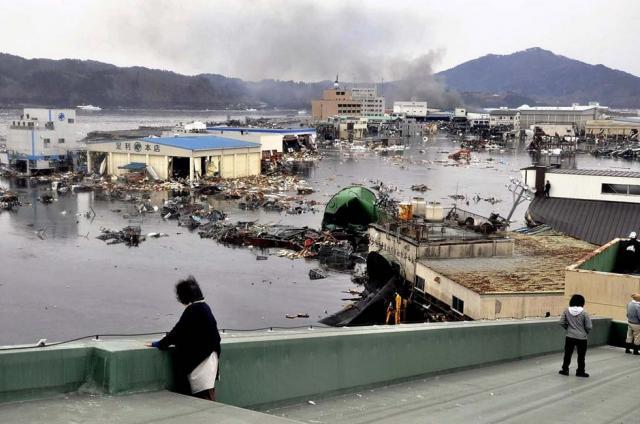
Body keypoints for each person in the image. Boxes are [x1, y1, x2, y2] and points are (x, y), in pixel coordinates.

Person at [146, 276, 221, 400]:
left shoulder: (193, 310)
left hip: (201, 363)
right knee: (208, 396)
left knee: (203, 399)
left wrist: (158, 344)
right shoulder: (205, 307)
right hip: (211, 360)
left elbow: (177, 332)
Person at [559, 294, 592, 378]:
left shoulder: (566, 310)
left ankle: (565, 369)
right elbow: (589, 326)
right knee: (581, 356)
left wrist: (568, 328)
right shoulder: (584, 312)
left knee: (567, 354)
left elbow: (561, 322)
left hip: (570, 336)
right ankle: (580, 371)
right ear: (582, 302)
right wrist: (585, 332)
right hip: (582, 338)